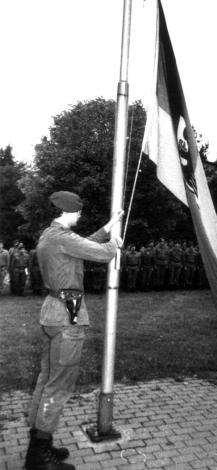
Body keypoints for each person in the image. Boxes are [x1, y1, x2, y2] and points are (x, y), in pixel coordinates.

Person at [25, 191, 123, 470]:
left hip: (54, 310)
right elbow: (103, 253)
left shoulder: (51, 236)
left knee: (47, 380)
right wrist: (115, 242)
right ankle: (39, 457)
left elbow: (85, 244)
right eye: (78, 212)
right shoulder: (62, 238)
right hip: (68, 313)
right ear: (69, 212)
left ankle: (40, 443)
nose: (80, 216)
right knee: (59, 385)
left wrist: (108, 226)